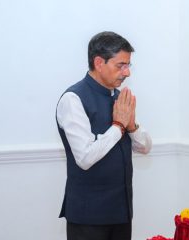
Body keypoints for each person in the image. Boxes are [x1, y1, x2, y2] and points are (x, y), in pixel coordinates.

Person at [56, 31, 152, 240]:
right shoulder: (73, 99)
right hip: (88, 215)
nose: (127, 73)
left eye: (128, 65)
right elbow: (85, 158)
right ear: (99, 62)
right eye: (121, 65)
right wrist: (118, 126)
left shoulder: (119, 98)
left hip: (121, 211)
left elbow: (144, 148)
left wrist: (131, 125)